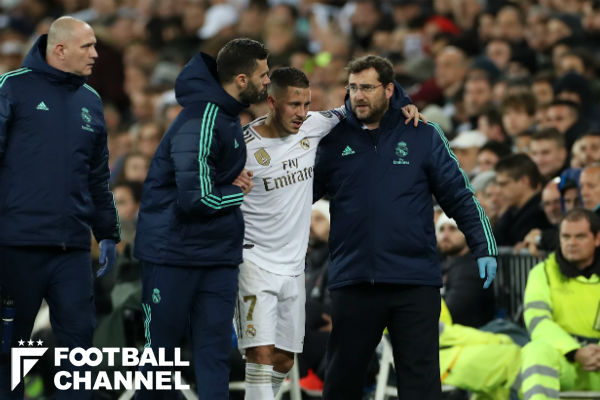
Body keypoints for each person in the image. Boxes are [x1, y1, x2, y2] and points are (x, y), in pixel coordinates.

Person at [313, 55, 498, 400]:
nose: (358, 95)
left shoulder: (422, 135)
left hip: (413, 281)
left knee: (421, 384)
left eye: (367, 87)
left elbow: (459, 195)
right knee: (341, 383)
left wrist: (483, 245)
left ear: (388, 89)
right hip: (354, 281)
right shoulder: (331, 139)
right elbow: (297, 198)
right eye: (352, 88)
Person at [235, 67, 421, 400]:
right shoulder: (241, 147)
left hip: (294, 265)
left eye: (306, 104)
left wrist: (403, 102)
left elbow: (361, 99)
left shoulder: (315, 124)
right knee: (260, 353)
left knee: (283, 359)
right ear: (272, 102)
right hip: (253, 261)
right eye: (294, 105)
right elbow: (202, 184)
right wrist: (228, 183)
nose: (302, 113)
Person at [133, 38, 269, 400]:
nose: (268, 81)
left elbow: (208, 181)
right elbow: (196, 198)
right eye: (263, 75)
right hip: (173, 253)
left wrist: (230, 182)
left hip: (216, 253)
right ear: (241, 79)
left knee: (215, 352)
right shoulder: (203, 117)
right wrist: (237, 192)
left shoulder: (226, 115)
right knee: (161, 355)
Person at [0, 16, 120, 399]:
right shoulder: (12, 88)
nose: (96, 54)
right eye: (88, 46)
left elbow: (97, 176)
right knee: (11, 348)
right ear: (60, 49)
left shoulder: (91, 101)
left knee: (79, 345)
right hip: (17, 245)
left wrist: (107, 232)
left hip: (71, 248)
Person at [521, 208, 600, 399]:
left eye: (580, 236)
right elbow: (537, 322)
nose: (571, 243)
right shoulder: (542, 273)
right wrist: (575, 352)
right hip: (567, 363)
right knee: (535, 350)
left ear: (597, 239)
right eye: (565, 236)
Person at [437, 213, 495, 328]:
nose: (445, 235)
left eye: (453, 229)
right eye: (441, 229)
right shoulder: (442, 264)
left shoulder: (473, 268)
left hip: (468, 335)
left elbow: (452, 310)